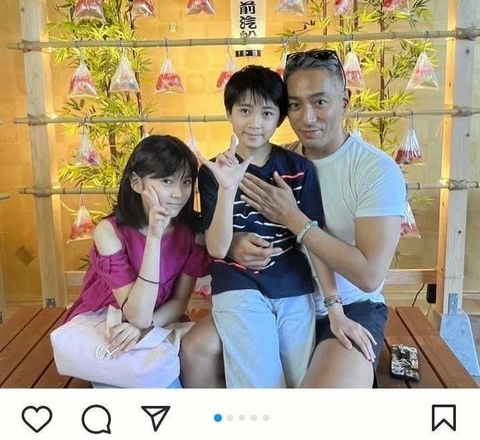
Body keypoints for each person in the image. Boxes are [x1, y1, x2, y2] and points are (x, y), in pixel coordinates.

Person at [234, 49, 406, 387]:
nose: (307, 118)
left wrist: (294, 219)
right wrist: (236, 244)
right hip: (276, 300)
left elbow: (369, 276)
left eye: (320, 102)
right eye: (295, 105)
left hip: (351, 307)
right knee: (198, 349)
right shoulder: (276, 160)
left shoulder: (375, 170)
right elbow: (228, 226)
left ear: (345, 100)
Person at [197, 65, 375, 388]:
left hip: (294, 288)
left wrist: (335, 310)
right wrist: (227, 188)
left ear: (279, 118)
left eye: (267, 113)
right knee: (261, 387)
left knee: (299, 382)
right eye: (245, 111)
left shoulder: (299, 169)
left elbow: (313, 239)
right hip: (239, 287)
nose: (255, 123)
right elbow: (217, 248)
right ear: (229, 113)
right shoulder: (213, 172)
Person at [64, 134, 213, 387]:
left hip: (157, 321)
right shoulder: (108, 232)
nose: (179, 193)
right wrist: (154, 237)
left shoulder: (191, 232)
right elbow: (137, 315)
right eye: (167, 181)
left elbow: (179, 302)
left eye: (186, 181)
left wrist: (145, 328)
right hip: (104, 325)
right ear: (136, 182)